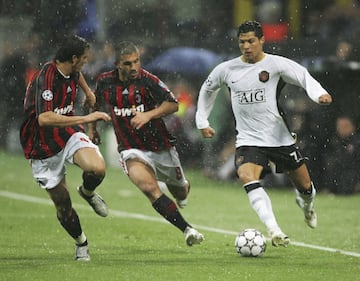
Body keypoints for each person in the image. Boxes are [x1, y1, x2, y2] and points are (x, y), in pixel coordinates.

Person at [195, 21, 332, 247]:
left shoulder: (276, 64)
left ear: (261, 40)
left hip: (280, 139)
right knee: (247, 176)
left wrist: (319, 94)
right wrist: (202, 120)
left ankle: (306, 206)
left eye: (251, 41)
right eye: (242, 42)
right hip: (249, 140)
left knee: (306, 189)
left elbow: (303, 75)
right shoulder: (227, 69)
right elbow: (207, 89)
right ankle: (274, 229)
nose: (246, 46)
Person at [91, 41, 204, 246]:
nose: (133, 67)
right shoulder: (105, 82)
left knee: (180, 190)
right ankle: (187, 230)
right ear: (117, 63)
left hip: (160, 145)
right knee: (149, 188)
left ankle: (183, 187)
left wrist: (147, 115)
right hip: (130, 148)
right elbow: (94, 103)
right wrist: (93, 129)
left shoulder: (149, 80)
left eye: (136, 62)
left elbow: (172, 104)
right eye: (127, 63)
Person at [19, 34, 111, 261]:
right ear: (73, 58)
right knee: (63, 206)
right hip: (41, 144)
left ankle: (87, 192)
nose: (87, 61)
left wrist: (88, 92)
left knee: (97, 169)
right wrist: (86, 116)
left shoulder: (70, 69)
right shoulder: (45, 79)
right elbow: (45, 118)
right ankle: (81, 242)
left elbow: (77, 75)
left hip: (66, 133)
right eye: (84, 58)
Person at [324, 115, 360, 194]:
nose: (340, 129)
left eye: (344, 126)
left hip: (351, 175)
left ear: (352, 127)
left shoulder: (357, 142)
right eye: (339, 126)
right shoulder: (335, 141)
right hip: (339, 174)